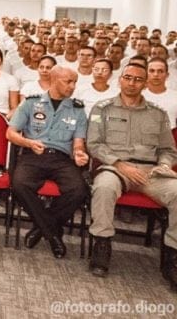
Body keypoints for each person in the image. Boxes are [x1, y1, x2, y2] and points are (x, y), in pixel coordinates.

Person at [86, 63, 177, 290]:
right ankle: (102, 245)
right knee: (104, 188)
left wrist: (164, 165)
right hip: (115, 168)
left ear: (145, 83)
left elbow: (168, 150)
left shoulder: (158, 114)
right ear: (120, 80)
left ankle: (172, 257)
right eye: (127, 77)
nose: (132, 83)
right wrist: (120, 165)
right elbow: (94, 145)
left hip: (150, 172)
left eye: (138, 79)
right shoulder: (102, 109)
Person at [7, 66, 89, 259]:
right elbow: (10, 133)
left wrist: (79, 153)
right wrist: (28, 142)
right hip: (33, 154)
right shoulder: (31, 103)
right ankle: (53, 234)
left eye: (75, 82)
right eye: (68, 81)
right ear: (54, 79)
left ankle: (42, 228)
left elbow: (78, 142)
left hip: (61, 158)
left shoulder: (77, 110)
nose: (72, 86)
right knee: (19, 184)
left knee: (79, 190)